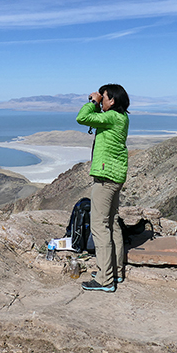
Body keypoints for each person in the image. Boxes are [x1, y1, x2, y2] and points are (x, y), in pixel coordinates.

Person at [76, 83, 130, 292]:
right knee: (112, 222)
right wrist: (100, 104)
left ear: (112, 100)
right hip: (116, 176)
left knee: (99, 226)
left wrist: (92, 102)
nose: (101, 99)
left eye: (104, 97)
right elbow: (98, 120)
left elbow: (82, 118)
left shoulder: (111, 117)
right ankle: (114, 271)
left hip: (105, 178)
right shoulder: (121, 117)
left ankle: (104, 279)